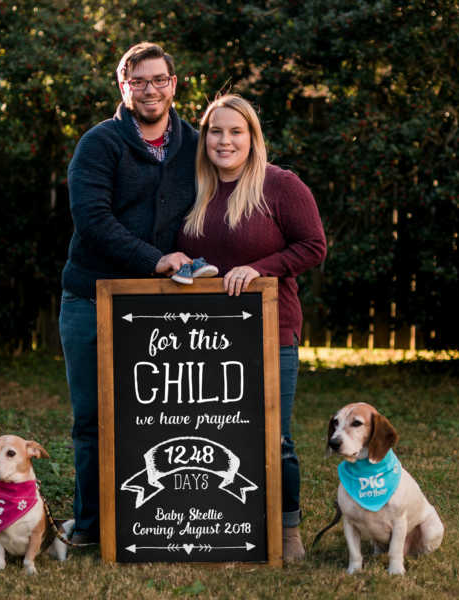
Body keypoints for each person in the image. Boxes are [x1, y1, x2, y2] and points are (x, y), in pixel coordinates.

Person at [176, 94, 327, 561]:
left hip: (269, 331)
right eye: (215, 131)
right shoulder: (194, 188)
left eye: (235, 131)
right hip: (200, 334)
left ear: (252, 137)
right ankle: (215, 523)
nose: (225, 140)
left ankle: (287, 530)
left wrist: (260, 268)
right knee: (211, 434)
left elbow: (313, 246)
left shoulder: (279, 185)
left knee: (273, 437)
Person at [59, 42, 198, 545]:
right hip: (90, 298)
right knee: (93, 419)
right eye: (138, 81)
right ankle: (92, 528)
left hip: (161, 307)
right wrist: (153, 259)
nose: (150, 90)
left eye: (159, 79)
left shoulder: (196, 145)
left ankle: (157, 524)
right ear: (123, 87)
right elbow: (92, 221)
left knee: (159, 418)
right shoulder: (99, 144)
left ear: (174, 84)